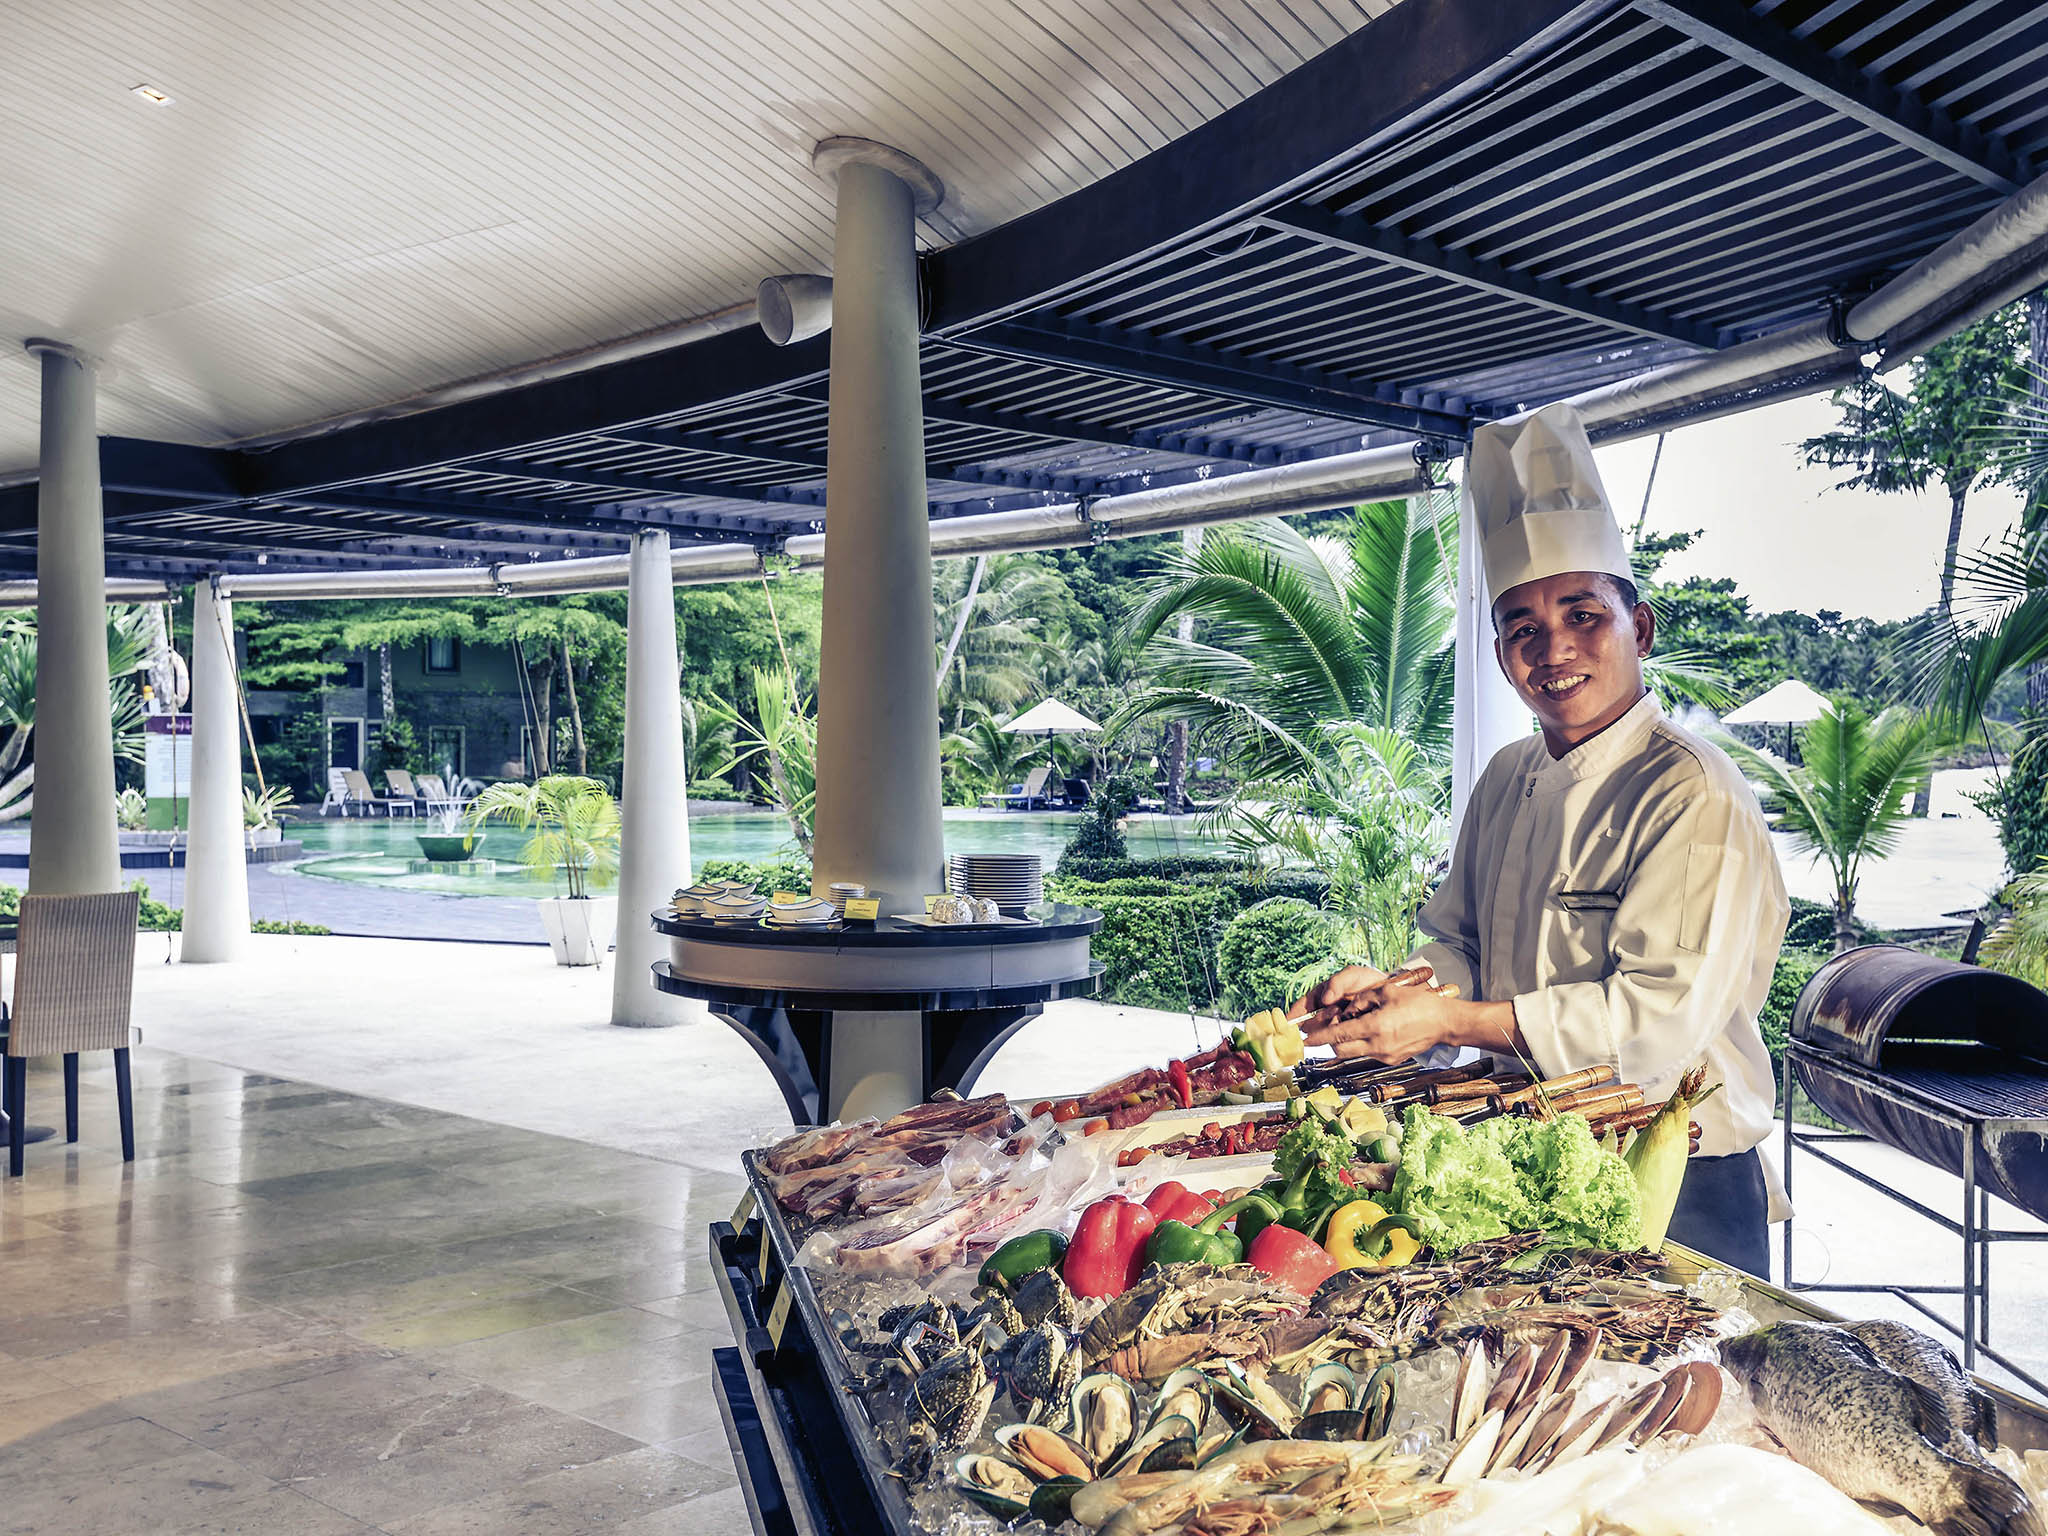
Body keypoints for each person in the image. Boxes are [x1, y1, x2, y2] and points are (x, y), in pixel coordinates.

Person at [1289, 402, 1788, 1274]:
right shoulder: (1507, 777)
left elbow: (1652, 1031)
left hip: (1677, 1174)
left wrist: (1448, 1018)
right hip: (1532, 1159)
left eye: (1583, 614)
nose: (1552, 648)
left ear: (1640, 626)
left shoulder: (1691, 793)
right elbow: (1463, 943)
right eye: (1523, 627)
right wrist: (1400, 990)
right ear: (1498, 651)